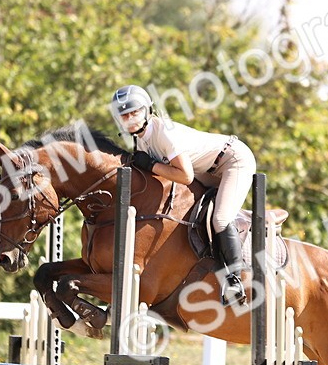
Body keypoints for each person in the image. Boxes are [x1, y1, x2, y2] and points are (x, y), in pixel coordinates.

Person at [109, 84, 254, 306]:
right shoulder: (140, 138)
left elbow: (185, 176)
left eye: (134, 112)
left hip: (232, 160)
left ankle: (236, 280)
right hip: (206, 170)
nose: (129, 118)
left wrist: (151, 164)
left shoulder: (163, 133)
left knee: (220, 219)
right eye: (124, 115)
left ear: (147, 110)